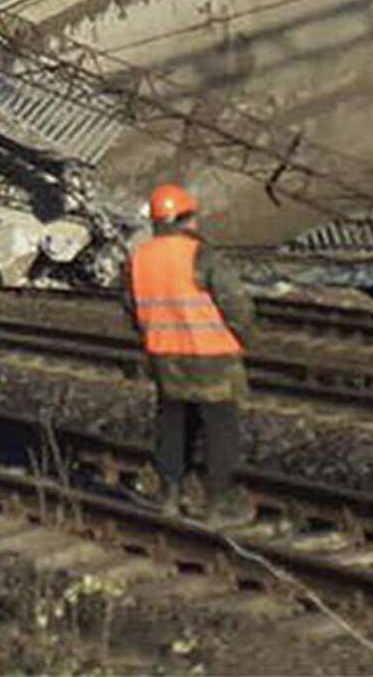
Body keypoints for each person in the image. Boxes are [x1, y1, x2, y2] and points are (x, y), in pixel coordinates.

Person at [123, 183, 256, 527]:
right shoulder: (203, 256)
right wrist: (242, 337)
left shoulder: (138, 260)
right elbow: (236, 304)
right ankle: (216, 504)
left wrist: (153, 335)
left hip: (164, 356)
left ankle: (169, 495)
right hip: (210, 355)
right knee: (219, 428)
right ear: (187, 219)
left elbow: (132, 307)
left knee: (172, 423)